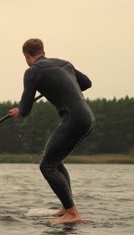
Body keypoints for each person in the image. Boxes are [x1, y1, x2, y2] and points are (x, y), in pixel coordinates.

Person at [9, 38, 95, 224]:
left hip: (74, 119)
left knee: (47, 166)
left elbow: (25, 109)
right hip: (87, 118)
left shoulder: (33, 72)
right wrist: (61, 86)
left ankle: (72, 213)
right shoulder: (64, 64)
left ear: (26, 55)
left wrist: (18, 111)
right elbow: (87, 83)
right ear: (42, 50)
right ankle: (67, 208)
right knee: (54, 161)